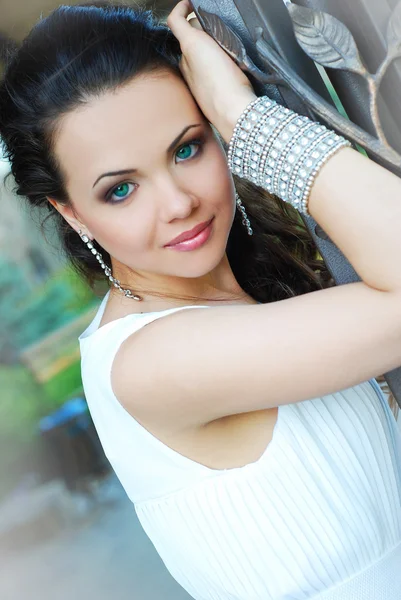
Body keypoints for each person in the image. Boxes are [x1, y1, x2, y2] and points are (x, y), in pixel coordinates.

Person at [0, 1, 400, 597]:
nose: (178, 202)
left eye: (187, 148)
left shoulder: (245, 301)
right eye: (121, 189)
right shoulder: (152, 362)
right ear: (70, 210)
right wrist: (246, 118)